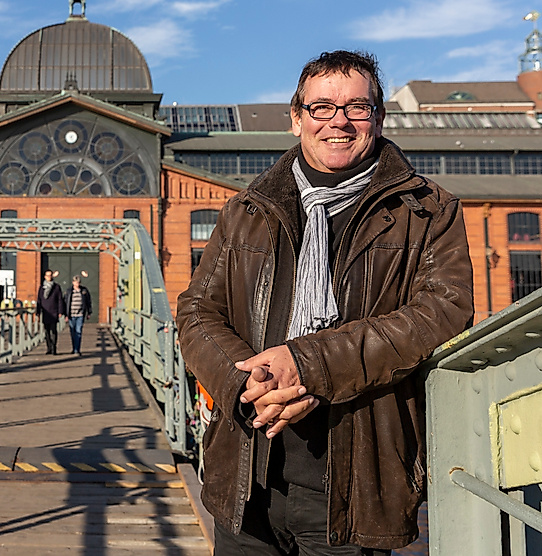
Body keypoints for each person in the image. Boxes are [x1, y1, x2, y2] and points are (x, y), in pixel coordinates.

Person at [176, 50, 473, 554]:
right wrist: (247, 384)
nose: (339, 120)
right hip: (247, 476)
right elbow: (197, 311)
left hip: (355, 484)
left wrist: (306, 366)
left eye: (357, 107)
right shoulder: (247, 209)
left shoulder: (427, 210)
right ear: (296, 119)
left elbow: (440, 313)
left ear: (378, 118)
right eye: (322, 107)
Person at [36, 269, 64, 354]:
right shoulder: (42, 287)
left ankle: (54, 348)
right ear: (45, 277)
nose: (49, 277)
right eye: (47, 275)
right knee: (47, 331)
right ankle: (49, 348)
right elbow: (39, 300)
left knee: (53, 330)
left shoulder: (56, 287)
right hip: (45, 312)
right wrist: (38, 311)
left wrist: (60, 311)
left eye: (50, 275)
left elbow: (60, 299)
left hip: (54, 311)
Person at [63, 275, 92, 356]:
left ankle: (77, 350)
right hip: (71, 315)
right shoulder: (69, 291)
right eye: (75, 282)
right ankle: (74, 348)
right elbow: (65, 303)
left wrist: (89, 312)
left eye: (78, 282)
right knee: (72, 332)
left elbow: (88, 302)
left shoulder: (84, 291)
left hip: (80, 315)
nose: (77, 283)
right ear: (73, 282)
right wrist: (65, 314)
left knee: (78, 331)